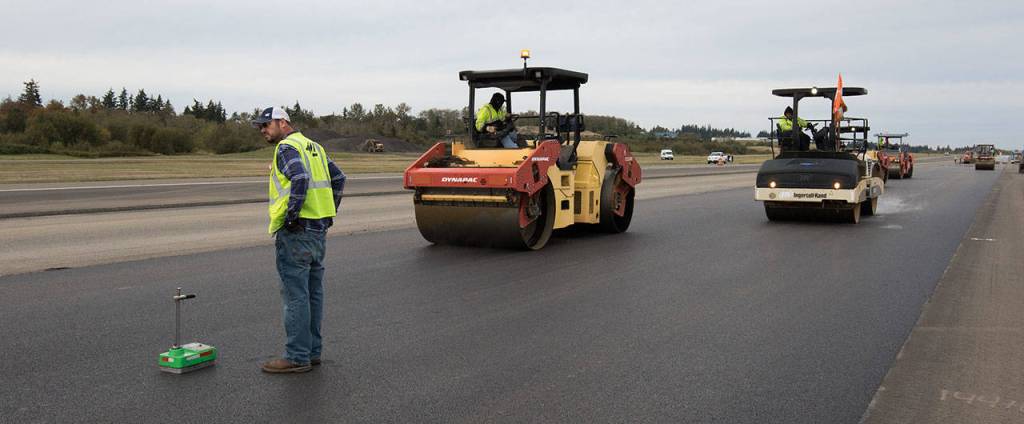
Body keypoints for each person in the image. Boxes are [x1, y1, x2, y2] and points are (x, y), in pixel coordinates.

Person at [252, 106, 346, 374]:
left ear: (283, 122)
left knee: (295, 296)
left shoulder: (286, 149)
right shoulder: (313, 147)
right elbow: (339, 178)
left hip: (297, 233)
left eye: (266, 125)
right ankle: (312, 352)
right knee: (313, 294)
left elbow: (301, 178)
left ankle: (296, 356)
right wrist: (329, 211)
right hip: (318, 230)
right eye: (260, 127)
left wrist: (292, 216)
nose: (263, 131)